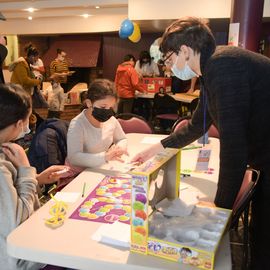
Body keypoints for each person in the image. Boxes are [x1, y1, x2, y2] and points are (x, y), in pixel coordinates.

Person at [131, 17, 270, 269]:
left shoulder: (222, 67)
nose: (171, 67)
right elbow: (197, 124)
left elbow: (233, 148)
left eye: (170, 60)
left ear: (184, 50)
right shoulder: (212, 67)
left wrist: (219, 211)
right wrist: (158, 147)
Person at [0, 83, 68, 270]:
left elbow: (6, 197)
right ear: (19, 123)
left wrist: (36, 178)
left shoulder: (5, 151)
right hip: (17, 258)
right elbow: (17, 221)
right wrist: (26, 167)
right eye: (29, 118)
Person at [66, 79, 128, 177]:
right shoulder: (78, 124)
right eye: (103, 107)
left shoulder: (111, 120)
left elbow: (122, 138)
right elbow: (74, 157)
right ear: (89, 103)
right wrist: (104, 157)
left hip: (101, 169)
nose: (108, 111)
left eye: (111, 107)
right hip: (79, 174)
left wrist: (119, 148)